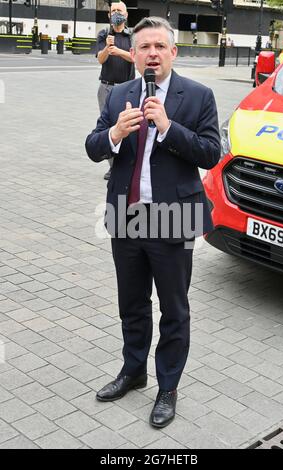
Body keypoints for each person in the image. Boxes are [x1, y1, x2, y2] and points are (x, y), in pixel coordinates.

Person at [86, 17, 220, 428]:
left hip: (174, 219)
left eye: (160, 46)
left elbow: (211, 153)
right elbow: (92, 146)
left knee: (174, 309)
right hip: (126, 217)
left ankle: (168, 387)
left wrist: (167, 127)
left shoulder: (198, 96)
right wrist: (114, 135)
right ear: (135, 52)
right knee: (132, 303)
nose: (152, 54)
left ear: (173, 52)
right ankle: (133, 370)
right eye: (144, 47)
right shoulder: (120, 94)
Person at [96, 1, 135, 181]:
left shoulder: (132, 36)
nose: (116, 13)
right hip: (106, 87)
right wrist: (106, 47)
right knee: (109, 127)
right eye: (113, 11)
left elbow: (136, 58)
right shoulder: (104, 34)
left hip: (128, 88)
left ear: (126, 15)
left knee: (129, 127)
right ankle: (113, 167)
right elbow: (100, 59)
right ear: (109, 15)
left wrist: (118, 51)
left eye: (120, 10)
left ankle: (129, 164)